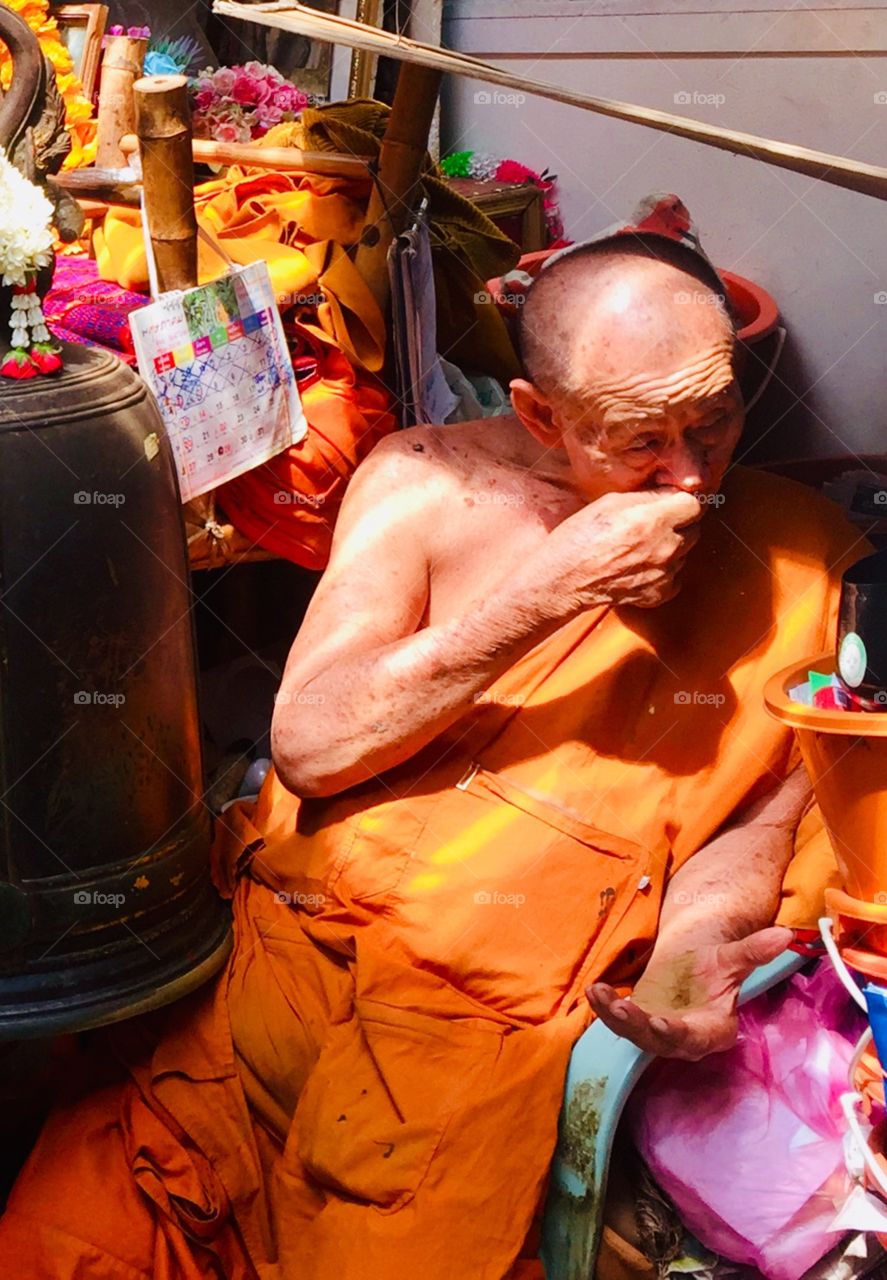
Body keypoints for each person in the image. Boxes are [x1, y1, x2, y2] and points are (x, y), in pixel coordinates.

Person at [0, 231, 865, 1280]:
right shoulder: (424, 480)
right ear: (538, 413)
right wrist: (549, 590)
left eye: (713, 419)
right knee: (57, 1240)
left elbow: (758, 807)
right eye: (636, 439)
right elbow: (311, 744)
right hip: (270, 983)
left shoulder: (795, 550)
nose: (686, 474)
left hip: (469, 1044)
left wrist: (690, 949)